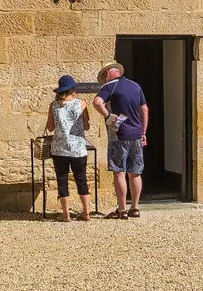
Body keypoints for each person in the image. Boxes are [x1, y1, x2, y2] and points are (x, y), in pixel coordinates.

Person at [94, 61, 149, 216]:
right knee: (135, 172)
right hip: (136, 135)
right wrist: (143, 132)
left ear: (107, 75)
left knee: (119, 172)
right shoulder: (135, 86)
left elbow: (97, 102)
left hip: (118, 134)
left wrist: (108, 116)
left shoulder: (109, 86)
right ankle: (135, 208)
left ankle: (122, 209)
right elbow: (144, 110)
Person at [42, 74, 96, 221]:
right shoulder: (82, 104)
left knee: (62, 180)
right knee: (81, 179)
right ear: (72, 89)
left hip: (60, 148)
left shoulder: (53, 106)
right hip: (78, 148)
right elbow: (87, 125)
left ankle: (66, 214)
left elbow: (51, 127)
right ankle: (86, 212)